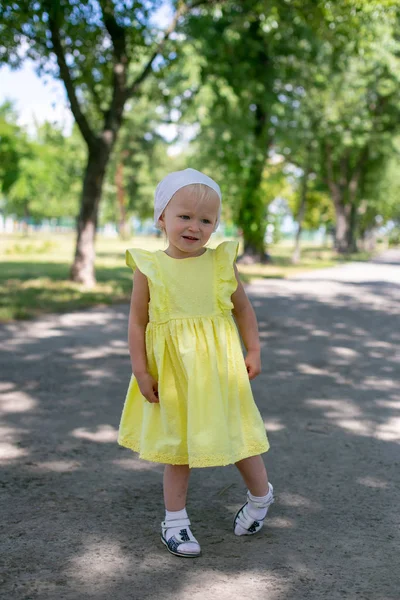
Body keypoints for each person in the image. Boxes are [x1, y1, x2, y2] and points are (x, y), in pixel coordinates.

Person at [118, 168, 273, 558]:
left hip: (220, 373)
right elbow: (138, 323)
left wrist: (252, 350)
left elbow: (243, 310)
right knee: (178, 447)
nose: (194, 227)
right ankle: (175, 522)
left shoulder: (221, 264)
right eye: (184, 216)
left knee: (240, 438)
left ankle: (261, 498)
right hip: (174, 376)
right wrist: (141, 370)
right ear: (162, 218)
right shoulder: (149, 268)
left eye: (206, 220)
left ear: (215, 224)